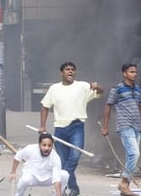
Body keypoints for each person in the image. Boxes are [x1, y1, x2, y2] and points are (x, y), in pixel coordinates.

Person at [39, 61, 104, 196]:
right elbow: (45, 106)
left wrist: (97, 86)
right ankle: (74, 189)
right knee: (64, 160)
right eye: (67, 69)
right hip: (59, 128)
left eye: (73, 69)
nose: (71, 71)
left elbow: (100, 92)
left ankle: (61, 183)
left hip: (77, 127)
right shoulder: (54, 88)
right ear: (62, 73)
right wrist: (42, 126)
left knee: (75, 155)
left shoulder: (82, 86)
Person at [101, 63, 141, 196]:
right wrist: (105, 126)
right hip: (124, 126)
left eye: (136, 72)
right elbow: (108, 107)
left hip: (137, 126)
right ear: (124, 73)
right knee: (134, 153)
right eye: (131, 72)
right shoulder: (117, 89)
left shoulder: (138, 89)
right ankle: (123, 182)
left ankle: (125, 188)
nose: (134, 74)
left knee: (131, 156)